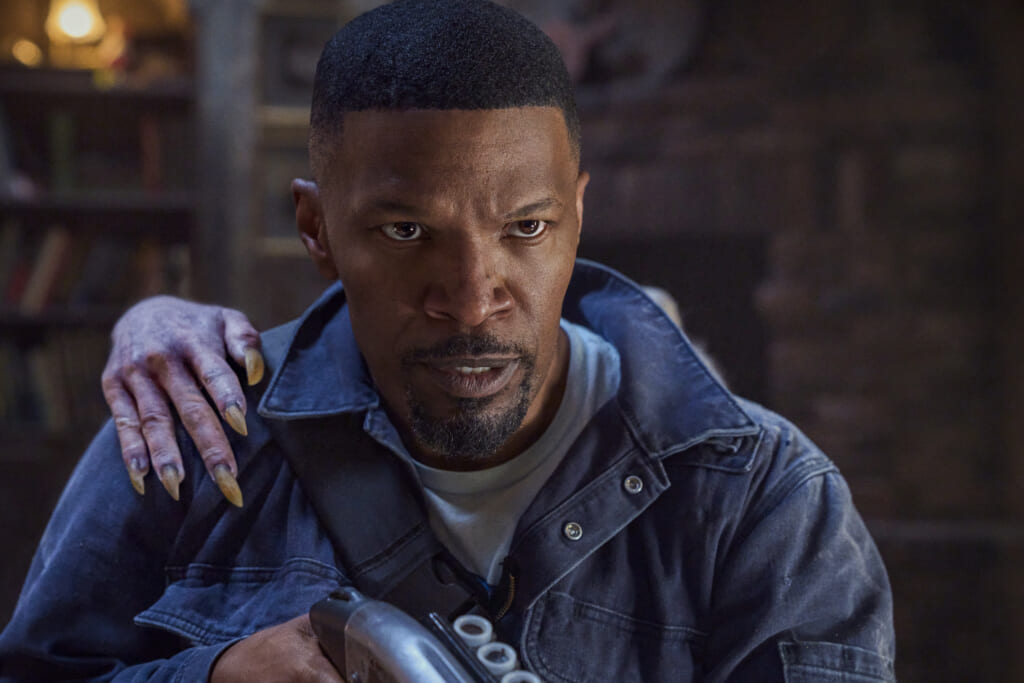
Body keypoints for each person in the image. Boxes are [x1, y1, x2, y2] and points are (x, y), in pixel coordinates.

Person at [0, 1, 896, 681]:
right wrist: (215, 676)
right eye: (406, 231)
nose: (470, 300)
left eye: (526, 227)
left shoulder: (767, 496)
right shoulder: (184, 437)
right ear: (316, 228)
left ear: (578, 215)